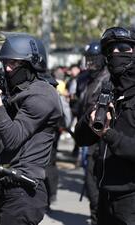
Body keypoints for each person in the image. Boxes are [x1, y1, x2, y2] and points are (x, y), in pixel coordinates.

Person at [0, 34, 62, 225]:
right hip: (8, 187)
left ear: (32, 64)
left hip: (25, 192)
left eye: (14, 63)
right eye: (5, 62)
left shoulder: (43, 94)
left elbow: (13, 138)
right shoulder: (16, 92)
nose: (7, 69)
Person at [74, 26, 135, 225]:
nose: (116, 53)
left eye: (124, 48)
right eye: (111, 50)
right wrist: (90, 120)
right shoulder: (109, 91)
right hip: (105, 193)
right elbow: (81, 138)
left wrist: (108, 134)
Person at [77, 41, 109, 225]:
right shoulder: (87, 79)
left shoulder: (108, 79)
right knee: (90, 181)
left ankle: (99, 216)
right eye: (89, 60)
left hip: (103, 136)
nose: (91, 64)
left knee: (98, 181)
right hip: (88, 135)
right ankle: (95, 215)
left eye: (94, 60)